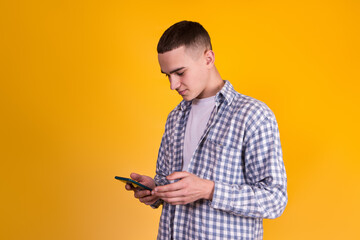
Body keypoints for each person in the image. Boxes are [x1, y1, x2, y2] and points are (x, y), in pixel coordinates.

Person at [125, 20, 288, 240]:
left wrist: (209, 190)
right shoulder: (175, 117)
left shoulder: (253, 115)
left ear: (208, 59)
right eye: (167, 75)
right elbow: (171, 185)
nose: (173, 85)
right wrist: (155, 190)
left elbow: (275, 199)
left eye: (180, 72)